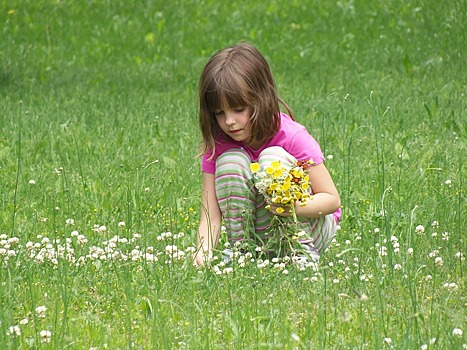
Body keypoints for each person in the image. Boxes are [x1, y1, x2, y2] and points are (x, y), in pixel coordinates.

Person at [194, 42, 341, 266]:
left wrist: (291, 207)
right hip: (263, 235)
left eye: (238, 109)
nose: (229, 121)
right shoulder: (219, 145)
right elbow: (210, 214)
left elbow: (331, 200)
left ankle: (299, 253)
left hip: (310, 227)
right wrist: (202, 256)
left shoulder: (291, 136)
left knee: (272, 158)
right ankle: (243, 252)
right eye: (219, 113)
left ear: (260, 98)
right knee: (230, 162)